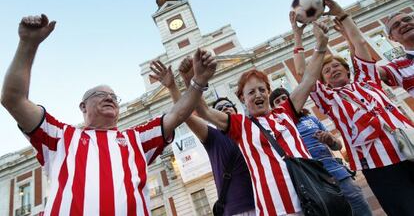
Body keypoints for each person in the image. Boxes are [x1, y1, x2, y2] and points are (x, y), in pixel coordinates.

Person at [0, 14, 217, 215]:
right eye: (100, 94)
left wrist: (198, 82)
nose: (110, 98)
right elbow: (13, 99)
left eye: (114, 96)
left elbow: (177, 114)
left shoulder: (136, 139)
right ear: (83, 107)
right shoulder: (61, 137)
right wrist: (28, 44)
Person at [177, 21, 329, 216]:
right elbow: (204, 111)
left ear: (268, 92)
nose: (258, 95)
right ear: (242, 99)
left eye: (261, 90)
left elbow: (308, 80)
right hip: (275, 210)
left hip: (314, 201)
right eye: (251, 92)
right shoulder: (241, 125)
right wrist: (193, 80)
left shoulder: (285, 112)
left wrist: (321, 46)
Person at [293, 0, 414, 216]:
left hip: (411, 146)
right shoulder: (328, 98)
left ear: (348, 70)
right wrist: (298, 36)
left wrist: (341, 13)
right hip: (380, 167)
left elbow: (359, 43)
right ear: (323, 80)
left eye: (337, 67)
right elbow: (302, 74)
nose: (332, 71)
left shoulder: (367, 79)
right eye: (326, 71)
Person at [149, 59, 256, 216]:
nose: (225, 108)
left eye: (229, 106)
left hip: (267, 202)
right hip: (238, 210)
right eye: (220, 109)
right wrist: (173, 86)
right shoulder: (213, 136)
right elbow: (186, 115)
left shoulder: (252, 130)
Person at [270, 87, 372, 216]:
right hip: (312, 180)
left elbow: (338, 146)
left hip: (337, 172)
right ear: (273, 109)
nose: (282, 102)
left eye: (284, 98)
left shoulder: (311, 119)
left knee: (359, 204)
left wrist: (330, 140)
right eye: (277, 101)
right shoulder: (277, 130)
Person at [378, 12, 414, 96]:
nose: (404, 24)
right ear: (392, 38)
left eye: (407, 20)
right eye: (396, 25)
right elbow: (368, 71)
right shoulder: (399, 67)